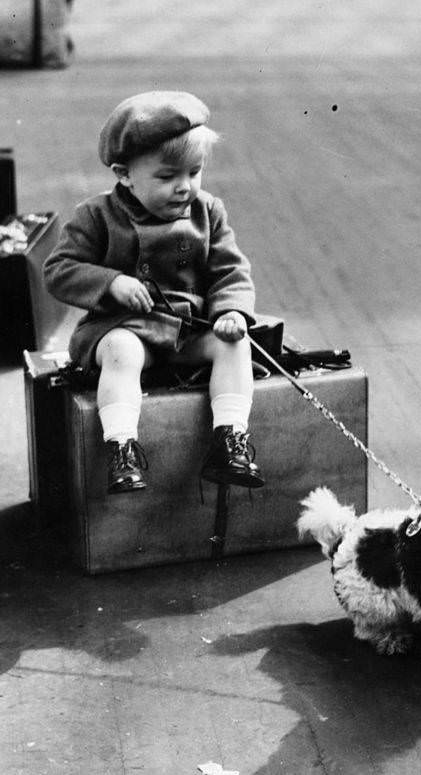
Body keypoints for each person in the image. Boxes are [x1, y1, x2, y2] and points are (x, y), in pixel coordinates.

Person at [44, 90, 264, 494]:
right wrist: (111, 282)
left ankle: (229, 439)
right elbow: (58, 270)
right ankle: (122, 447)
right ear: (124, 173)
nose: (184, 188)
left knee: (235, 344)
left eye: (194, 173)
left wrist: (230, 313)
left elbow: (229, 268)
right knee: (122, 353)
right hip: (124, 326)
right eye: (166, 177)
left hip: (184, 329)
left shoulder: (207, 211)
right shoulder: (97, 215)